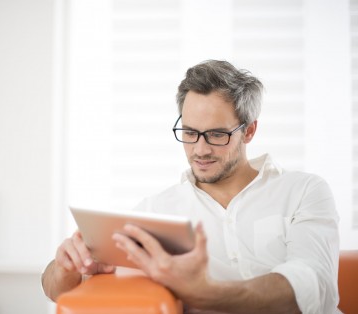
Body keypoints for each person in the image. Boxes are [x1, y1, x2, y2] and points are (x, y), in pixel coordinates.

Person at [41, 60, 340, 314]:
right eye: (189, 132)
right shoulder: (157, 212)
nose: (200, 150)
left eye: (216, 134)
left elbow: (314, 284)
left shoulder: (304, 191)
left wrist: (203, 292)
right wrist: (64, 268)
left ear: (249, 131)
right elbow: (58, 290)